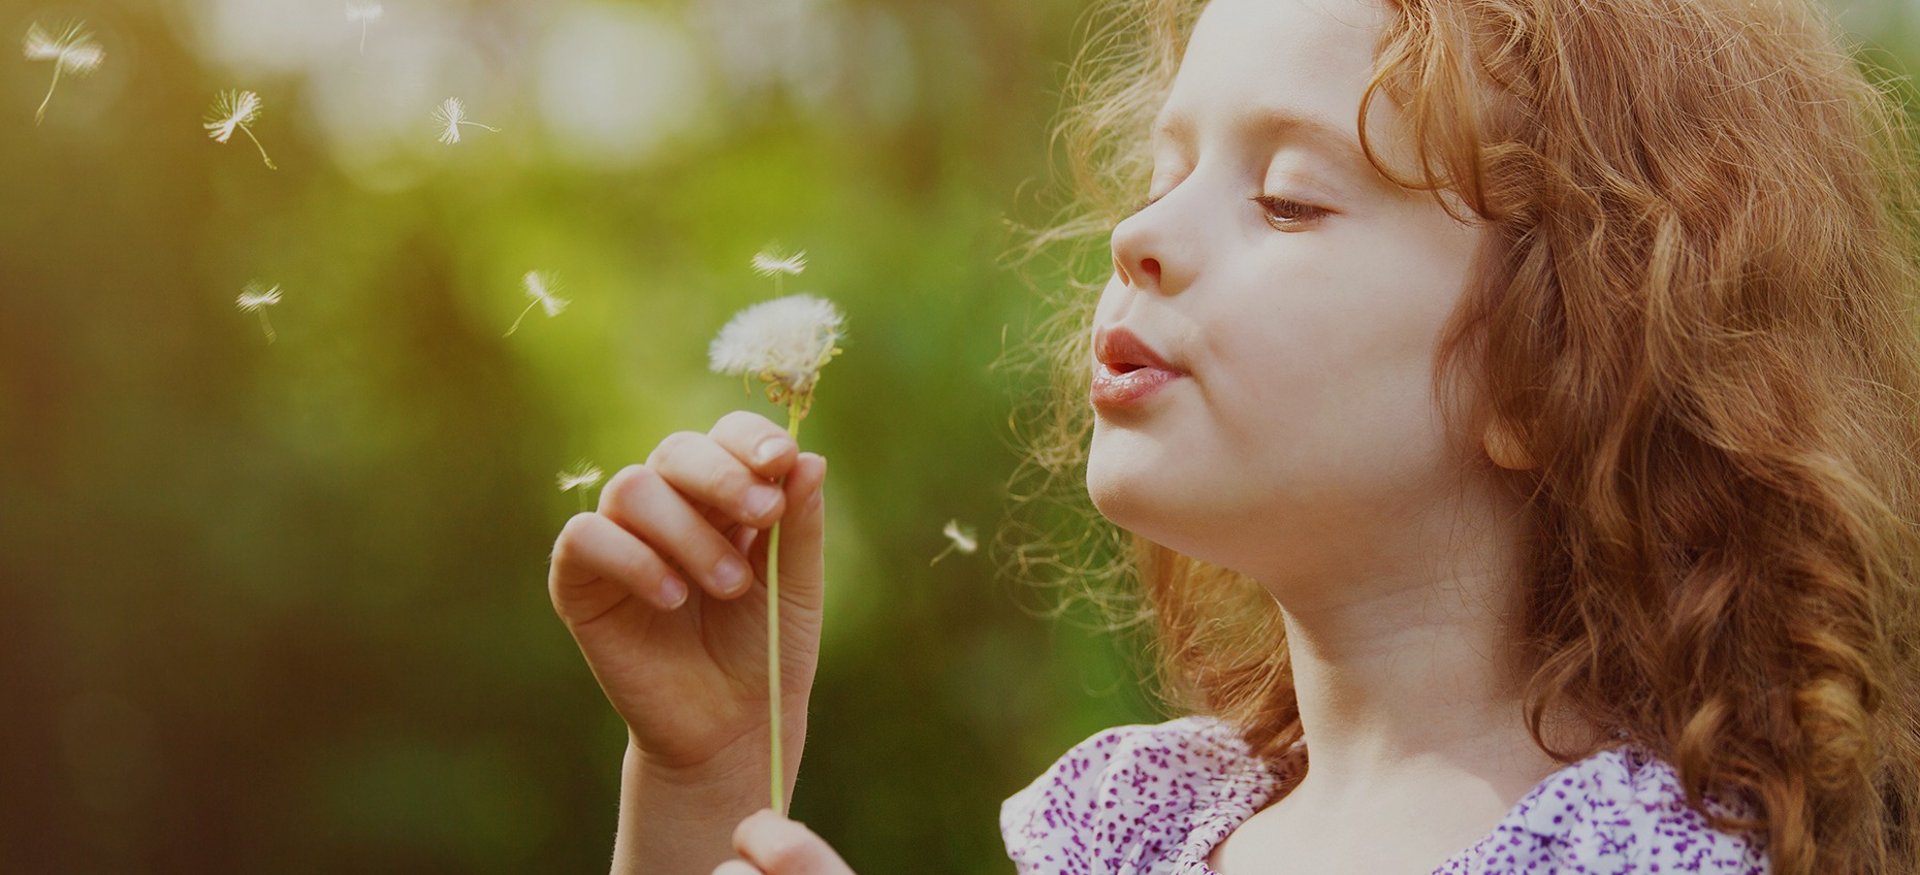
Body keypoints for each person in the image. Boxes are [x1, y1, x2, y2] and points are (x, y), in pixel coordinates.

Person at [544, 0, 1920, 871]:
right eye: (1161, 172)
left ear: (1556, 359)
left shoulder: (1640, 863)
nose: (1138, 235)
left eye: (1289, 198)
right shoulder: (1140, 830)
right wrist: (709, 774)